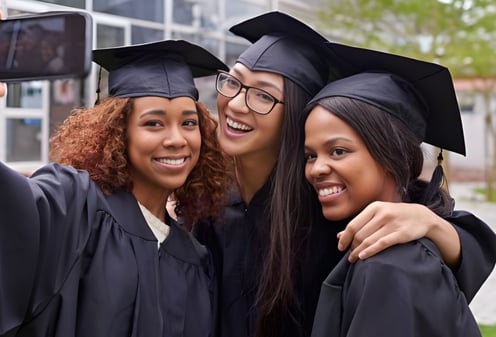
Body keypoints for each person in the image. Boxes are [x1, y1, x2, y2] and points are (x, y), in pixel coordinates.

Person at [0, 6, 232, 337]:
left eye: (188, 122)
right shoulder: (76, 205)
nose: (176, 139)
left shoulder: (195, 260)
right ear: (117, 132)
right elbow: (5, 216)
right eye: (153, 123)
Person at [195, 10, 496, 337]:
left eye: (263, 95)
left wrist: (434, 225)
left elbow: (423, 257)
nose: (237, 103)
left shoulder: (326, 211)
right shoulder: (206, 202)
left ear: (297, 117)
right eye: (233, 82)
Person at [300, 42, 490, 336]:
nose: (316, 168)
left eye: (338, 151)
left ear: (393, 155)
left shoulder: (388, 266)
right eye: (310, 155)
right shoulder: (380, 247)